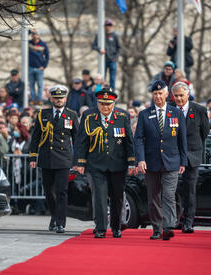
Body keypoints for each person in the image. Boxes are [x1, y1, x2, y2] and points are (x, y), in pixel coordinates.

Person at [76, 87, 135, 238]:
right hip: (96, 164)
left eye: (108, 104)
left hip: (118, 164)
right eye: (102, 104)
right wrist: (80, 163)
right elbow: (81, 140)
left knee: (117, 197)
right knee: (100, 196)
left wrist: (132, 162)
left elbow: (129, 141)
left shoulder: (123, 116)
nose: (105, 107)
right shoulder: (88, 116)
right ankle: (101, 227)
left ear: (113, 103)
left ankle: (116, 227)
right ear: (97, 103)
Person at [134, 80, 187, 240]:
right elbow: (139, 139)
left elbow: (182, 139)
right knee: (154, 197)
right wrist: (140, 159)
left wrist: (183, 161)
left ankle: (169, 226)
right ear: (152, 95)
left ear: (166, 94)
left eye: (160, 93)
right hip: (151, 163)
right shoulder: (144, 114)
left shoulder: (176, 113)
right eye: (155, 94)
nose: (158, 96)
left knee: (169, 195)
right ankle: (157, 228)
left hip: (172, 161)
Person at [29, 85, 79, 233]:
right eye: (56, 98)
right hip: (46, 158)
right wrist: (33, 156)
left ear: (65, 99)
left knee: (62, 191)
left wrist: (77, 161)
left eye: (61, 98)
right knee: (48, 192)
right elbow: (35, 137)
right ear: (51, 99)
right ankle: (54, 216)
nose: (58, 100)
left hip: (64, 159)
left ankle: (60, 222)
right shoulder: (42, 114)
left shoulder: (72, 115)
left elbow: (77, 139)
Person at [171, 81, 209, 233]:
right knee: (172, 190)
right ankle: (175, 219)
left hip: (192, 157)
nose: (179, 98)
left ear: (187, 94)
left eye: (181, 95)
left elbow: (205, 133)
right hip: (173, 157)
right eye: (176, 96)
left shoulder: (199, 110)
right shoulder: (170, 109)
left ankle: (188, 222)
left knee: (189, 191)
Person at [91, 18, 121, 90]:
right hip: (103, 60)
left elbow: (119, 48)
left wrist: (115, 58)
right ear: (104, 26)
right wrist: (99, 49)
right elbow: (93, 46)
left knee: (112, 79)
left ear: (112, 26)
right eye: (107, 25)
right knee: (102, 78)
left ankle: (112, 94)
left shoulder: (114, 36)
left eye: (110, 25)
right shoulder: (100, 35)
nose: (108, 26)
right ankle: (102, 93)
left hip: (112, 60)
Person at [29, 29, 49, 105]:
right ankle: (33, 99)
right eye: (33, 34)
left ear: (39, 35)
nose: (34, 35)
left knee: (40, 85)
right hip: (30, 67)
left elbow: (47, 56)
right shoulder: (29, 43)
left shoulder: (43, 44)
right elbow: (23, 40)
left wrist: (44, 66)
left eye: (36, 34)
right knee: (31, 85)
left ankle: (40, 99)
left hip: (39, 68)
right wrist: (28, 32)